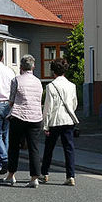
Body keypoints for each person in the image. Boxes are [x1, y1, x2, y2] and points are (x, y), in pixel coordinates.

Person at [3, 54, 44, 187]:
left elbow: (11, 100)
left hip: (19, 116)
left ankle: (11, 175)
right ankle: (34, 178)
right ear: (33, 67)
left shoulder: (16, 80)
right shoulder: (38, 82)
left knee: (14, 146)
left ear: (21, 67)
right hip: (36, 117)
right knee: (34, 148)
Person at [40, 57, 78, 186]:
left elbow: (48, 107)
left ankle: (44, 173)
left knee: (49, 148)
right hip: (68, 120)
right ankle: (70, 176)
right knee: (69, 148)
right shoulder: (72, 86)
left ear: (53, 71)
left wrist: (45, 125)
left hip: (55, 120)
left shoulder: (51, 86)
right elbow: (74, 104)